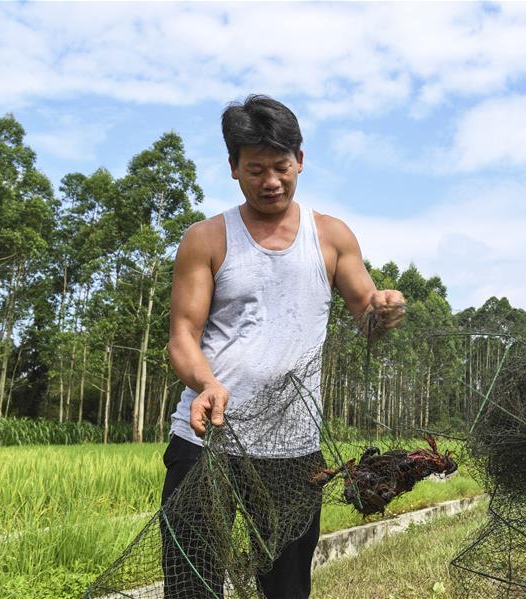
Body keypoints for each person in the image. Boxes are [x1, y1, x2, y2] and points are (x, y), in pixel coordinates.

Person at [163, 94, 405, 598]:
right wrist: (206, 383)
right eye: (255, 169)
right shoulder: (206, 239)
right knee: (194, 583)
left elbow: (367, 315)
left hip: (293, 449)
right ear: (233, 168)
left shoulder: (332, 236)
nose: (271, 181)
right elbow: (182, 337)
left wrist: (383, 310)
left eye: (281, 166)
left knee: (288, 586)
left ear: (300, 159)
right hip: (209, 438)